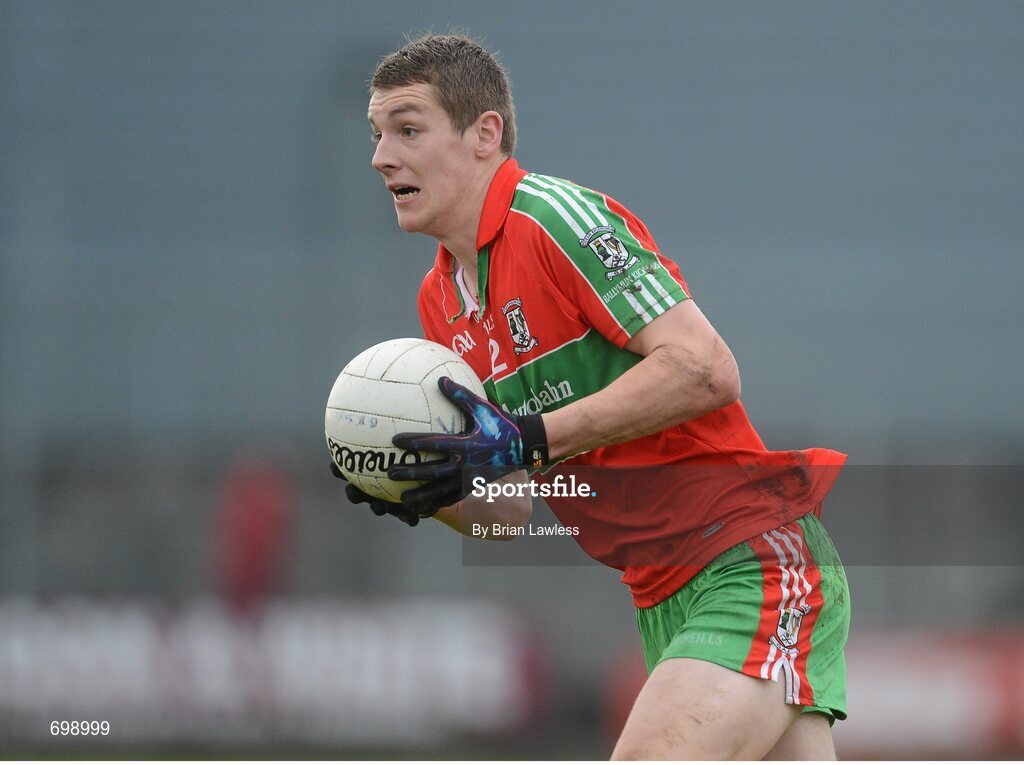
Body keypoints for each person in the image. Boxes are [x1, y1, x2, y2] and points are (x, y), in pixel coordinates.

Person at [340, 33, 851, 759]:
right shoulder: (440, 299)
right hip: (660, 597)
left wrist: (530, 435)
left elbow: (705, 367)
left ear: (486, 134)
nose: (381, 156)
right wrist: (429, 489)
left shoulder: (553, 220)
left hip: (748, 561)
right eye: (377, 134)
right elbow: (509, 508)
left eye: (408, 129)